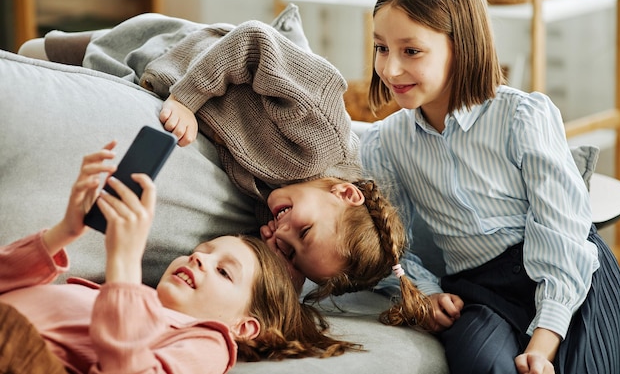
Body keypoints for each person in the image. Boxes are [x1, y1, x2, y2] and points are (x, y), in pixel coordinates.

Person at [17, 5, 434, 330]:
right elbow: (254, 41)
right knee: (31, 52)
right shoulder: (320, 126)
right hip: (167, 50)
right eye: (302, 231)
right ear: (345, 193)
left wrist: (283, 267)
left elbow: (273, 273)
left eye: (290, 250)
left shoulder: (275, 205)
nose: (280, 231)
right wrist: (187, 98)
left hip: (134, 80)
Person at [358, 0, 620, 374]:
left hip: (567, 272)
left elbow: (562, 230)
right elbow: (392, 243)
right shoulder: (386, 142)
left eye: (410, 50)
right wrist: (425, 291)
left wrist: (545, 338)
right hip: (479, 291)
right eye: (381, 48)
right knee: (479, 362)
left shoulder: (522, 117)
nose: (390, 68)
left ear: (461, 46)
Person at [0, 142, 361, 374]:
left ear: (244, 326)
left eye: (223, 272)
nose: (199, 260)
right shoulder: (121, 298)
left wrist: (124, 265)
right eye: (199, 252)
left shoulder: (207, 341)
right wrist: (65, 231)